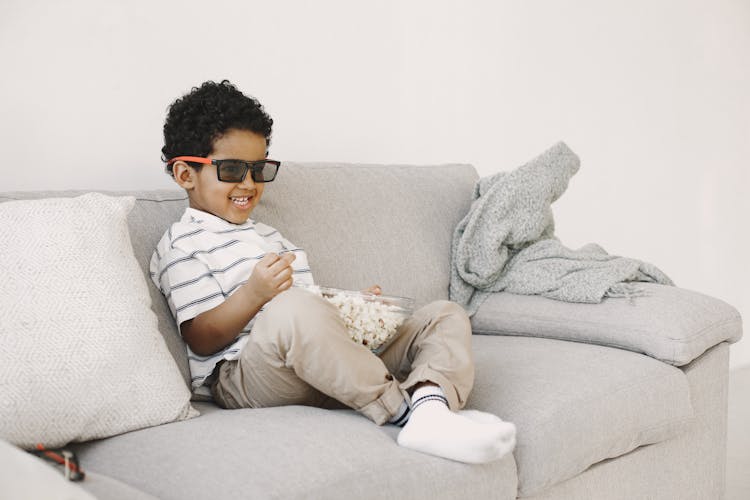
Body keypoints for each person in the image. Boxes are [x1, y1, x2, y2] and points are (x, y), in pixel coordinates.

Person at [150, 80, 516, 464]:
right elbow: (201, 338)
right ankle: (401, 413)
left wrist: (353, 308)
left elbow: (310, 310)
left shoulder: (270, 236)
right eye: (231, 169)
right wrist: (253, 294)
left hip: (320, 367)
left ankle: (431, 403)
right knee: (291, 309)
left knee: (444, 315)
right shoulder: (184, 244)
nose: (249, 183)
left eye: (258, 170)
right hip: (247, 376)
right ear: (185, 174)